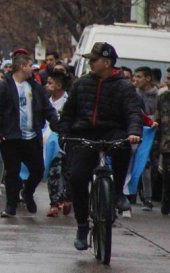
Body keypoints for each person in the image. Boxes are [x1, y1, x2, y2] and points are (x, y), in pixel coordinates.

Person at [58, 42, 142, 251]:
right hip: (84, 135)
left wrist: (134, 133)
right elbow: (68, 114)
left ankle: (117, 194)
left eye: (93, 60)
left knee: (123, 147)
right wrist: (64, 133)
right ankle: (82, 226)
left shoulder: (124, 87)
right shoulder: (81, 83)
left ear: (107, 62)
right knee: (77, 177)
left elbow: (133, 112)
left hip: (112, 132)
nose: (90, 63)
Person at [0, 54, 58, 218]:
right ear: (21, 67)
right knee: (12, 172)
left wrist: (55, 122)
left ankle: (27, 192)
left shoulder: (35, 87)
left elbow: (47, 108)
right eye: (29, 65)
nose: (32, 68)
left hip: (32, 136)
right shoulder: (4, 86)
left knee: (38, 169)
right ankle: (10, 206)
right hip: (11, 137)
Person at [45, 72, 71, 217]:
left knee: (67, 171)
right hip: (49, 140)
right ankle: (54, 202)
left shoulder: (69, 101)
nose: (47, 86)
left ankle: (66, 198)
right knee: (53, 170)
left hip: (66, 140)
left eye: (50, 83)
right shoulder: (46, 101)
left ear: (59, 85)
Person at [134, 66, 159, 210]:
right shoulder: (133, 94)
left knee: (153, 166)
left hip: (154, 134)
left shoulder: (158, 95)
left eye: (139, 77)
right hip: (137, 132)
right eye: (135, 77)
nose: (135, 80)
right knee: (143, 164)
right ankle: (144, 197)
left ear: (148, 78)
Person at [157, 86, 170, 214]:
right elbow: (157, 118)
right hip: (167, 143)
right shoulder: (163, 97)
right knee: (167, 177)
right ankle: (165, 206)